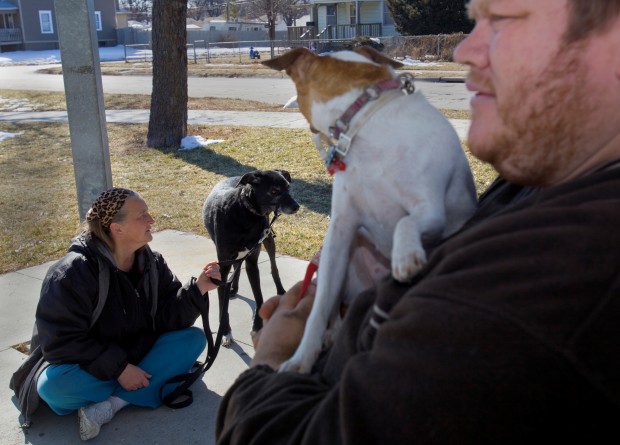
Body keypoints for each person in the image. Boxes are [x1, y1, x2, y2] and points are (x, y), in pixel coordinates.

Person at [215, 0, 620, 443]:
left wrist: (272, 358)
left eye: (503, 19)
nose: (465, 49)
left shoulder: (547, 284)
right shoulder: (544, 183)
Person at [34, 188, 221, 441]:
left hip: (138, 352)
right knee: (52, 387)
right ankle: (147, 383)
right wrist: (120, 370)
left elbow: (168, 318)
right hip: (94, 364)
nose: (151, 220)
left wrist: (198, 288)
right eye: (141, 215)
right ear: (116, 228)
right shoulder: (71, 274)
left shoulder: (153, 263)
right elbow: (60, 343)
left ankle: (110, 405)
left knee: (193, 339)